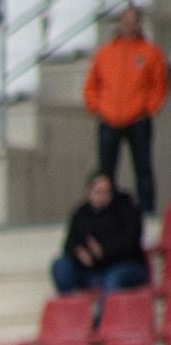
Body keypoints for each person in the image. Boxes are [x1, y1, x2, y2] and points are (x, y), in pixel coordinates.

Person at [85, 8, 166, 218]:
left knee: (143, 167)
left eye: (133, 21)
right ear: (119, 23)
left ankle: (147, 211)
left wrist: (150, 108)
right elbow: (92, 84)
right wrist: (97, 107)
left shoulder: (149, 52)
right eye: (125, 21)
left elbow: (159, 84)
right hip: (109, 118)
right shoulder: (105, 52)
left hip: (138, 118)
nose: (129, 25)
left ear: (139, 23)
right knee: (106, 170)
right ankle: (107, 212)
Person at [51, 170, 149, 298]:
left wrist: (104, 251)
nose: (102, 196)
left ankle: (102, 317)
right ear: (89, 193)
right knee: (60, 265)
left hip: (124, 265)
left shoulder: (126, 209)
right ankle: (71, 309)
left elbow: (131, 242)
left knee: (113, 278)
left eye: (106, 192)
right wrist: (79, 253)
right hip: (92, 270)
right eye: (98, 192)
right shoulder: (81, 213)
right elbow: (70, 242)